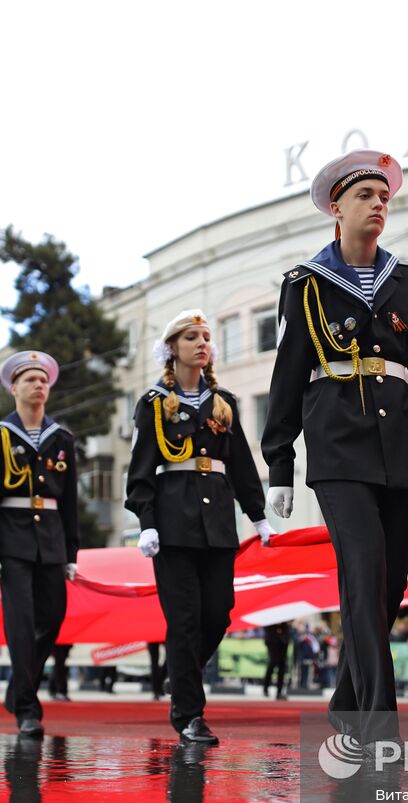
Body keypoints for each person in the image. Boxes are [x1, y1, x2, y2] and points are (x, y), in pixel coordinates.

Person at [262, 150, 408, 749]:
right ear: (336, 207)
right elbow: (286, 377)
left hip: (397, 443)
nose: (379, 204)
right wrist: (279, 463)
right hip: (336, 443)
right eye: (366, 195)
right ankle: (377, 724)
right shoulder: (304, 285)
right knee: (362, 574)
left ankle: (344, 703)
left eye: (385, 197)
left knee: (389, 585)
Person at [126, 310, 272, 744]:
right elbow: (140, 471)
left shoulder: (222, 400)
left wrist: (258, 514)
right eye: (192, 337)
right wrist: (146, 523)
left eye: (206, 336)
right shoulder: (153, 403)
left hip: (217, 524)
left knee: (219, 611)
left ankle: (180, 671)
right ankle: (189, 714)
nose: (202, 343)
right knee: (184, 621)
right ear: (173, 349)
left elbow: (242, 463)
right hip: (172, 526)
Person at [0, 351, 79, 737]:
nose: (39, 385)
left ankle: (18, 687)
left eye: (43, 380)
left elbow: (69, 502)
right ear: (14, 388)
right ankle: (27, 709)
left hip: (50, 540)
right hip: (12, 540)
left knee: (53, 618)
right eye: (30, 380)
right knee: (20, 624)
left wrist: (72, 553)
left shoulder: (62, 438)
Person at [263, 621, 292, 700]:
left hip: (283, 641)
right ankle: (265, 687)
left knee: (282, 666)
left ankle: (279, 692)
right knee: (272, 663)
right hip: (272, 641)